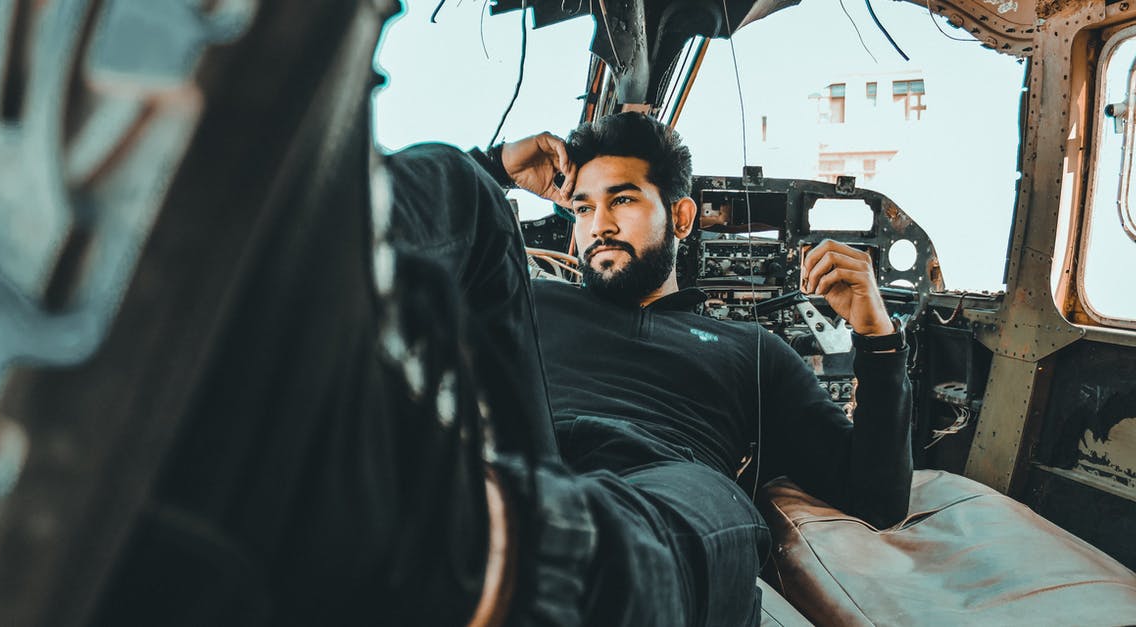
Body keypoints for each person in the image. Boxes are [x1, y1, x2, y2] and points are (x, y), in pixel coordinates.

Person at [371, 111, 913, 626]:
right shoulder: (533, 300)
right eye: (582, 208)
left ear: (681, 215)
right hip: (522, 459)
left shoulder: (751, 348)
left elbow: (875, 497)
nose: (598, 226)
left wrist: (877, 337)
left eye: (621, 200)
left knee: (706, 495)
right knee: (462, 181)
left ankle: (528, 561)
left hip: (660, 484)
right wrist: (493, 171)